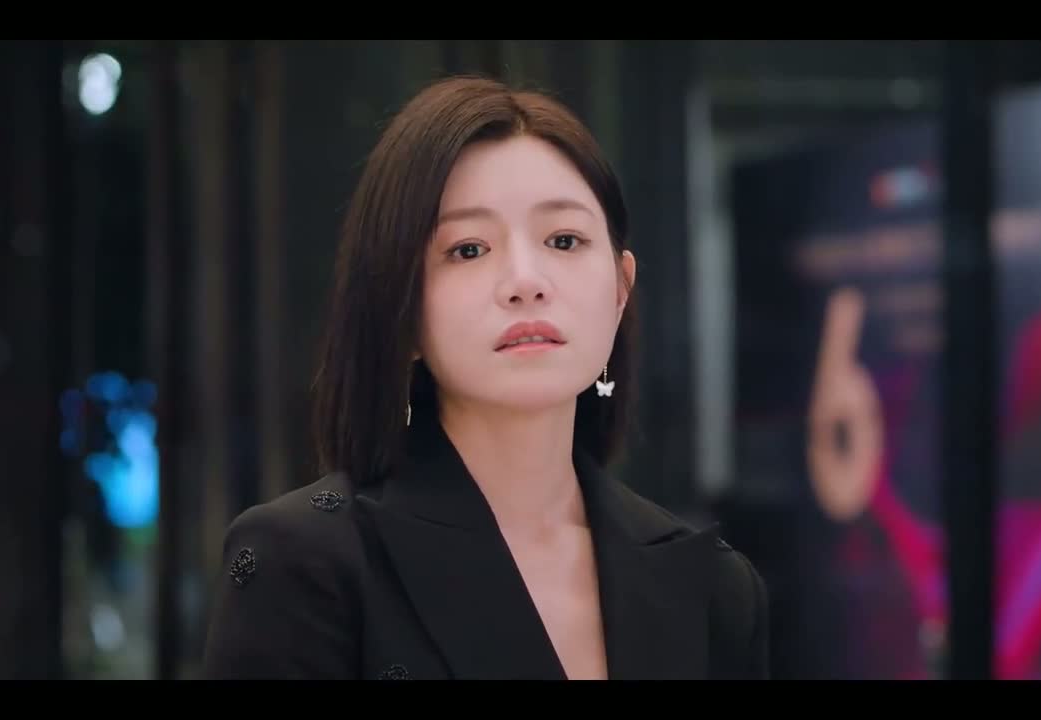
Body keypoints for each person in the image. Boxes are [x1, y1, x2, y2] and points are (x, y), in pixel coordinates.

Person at [201, 75, 770, 680]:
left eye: (564, 239)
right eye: (468, 249)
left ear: (620, 290)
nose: (526, 280)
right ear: (403, 310)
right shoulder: (306, 564)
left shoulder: (715, 590)